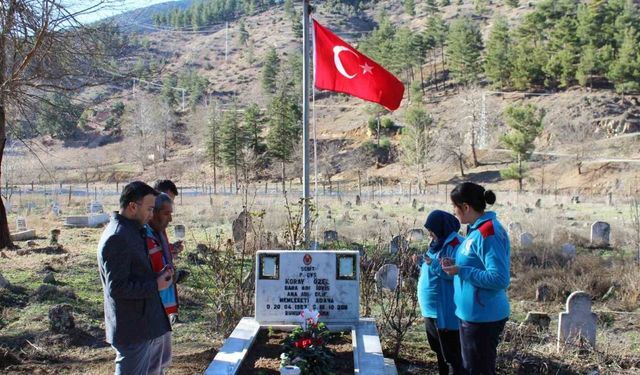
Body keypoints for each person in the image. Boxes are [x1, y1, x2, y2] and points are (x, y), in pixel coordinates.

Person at [97, 181, 172, 375]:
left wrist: (158, 277)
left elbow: (134, 273)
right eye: (149, 209)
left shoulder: (131, 231)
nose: (151, 214)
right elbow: (118, 288)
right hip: (132, 330)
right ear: (132, 206)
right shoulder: (118, 238)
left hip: (143, 326)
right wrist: (156, 284)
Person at [442, 182, 510, 375]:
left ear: (465, 207)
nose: (453, 212)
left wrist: (461, 271)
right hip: (472, 315)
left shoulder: (488, 233)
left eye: (454, 207)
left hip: (484, 318)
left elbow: (499, 278)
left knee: (478, 371)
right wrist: (455, 263)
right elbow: (476, 262)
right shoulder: (475, 230)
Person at [414, 210, 465, 375]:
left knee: (452, 356)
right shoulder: (437, 242)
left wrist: (433, 264)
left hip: (445, 310)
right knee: (439, 351)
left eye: (432, 230)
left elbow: (454, 272)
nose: (430, 234)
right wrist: (421, 263)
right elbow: (432, 266)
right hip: (430, 308)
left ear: (442, 228)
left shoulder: (456, 245)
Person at [146, 193, 179, 375]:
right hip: (151, 308)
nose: (170, 218)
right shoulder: (144, 236)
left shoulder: (157, 233)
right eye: (167, 213)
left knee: (162, 361)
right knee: (152, 363)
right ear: (153, 212)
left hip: (162, 308)